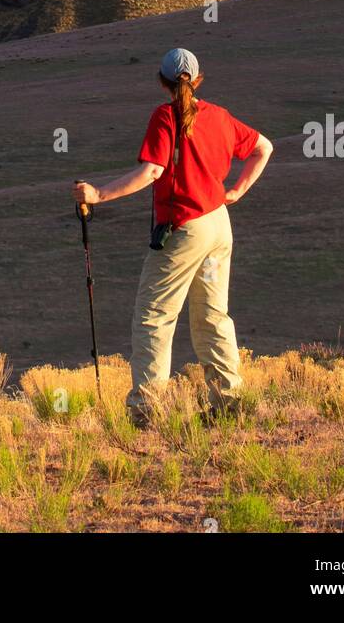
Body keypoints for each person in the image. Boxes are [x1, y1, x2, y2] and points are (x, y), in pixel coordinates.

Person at [72, 47, 273, 423]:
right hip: (218, 225)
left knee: (154, 316)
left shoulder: (165, 117)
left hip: (184, 230)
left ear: (161, 82)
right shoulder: (220, 117)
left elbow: (152, 172)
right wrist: (236, 191)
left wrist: (98, 194)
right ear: (197, 80)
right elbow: (264, 147)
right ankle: (228, 403)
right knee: (213, 316)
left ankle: (146, 411)